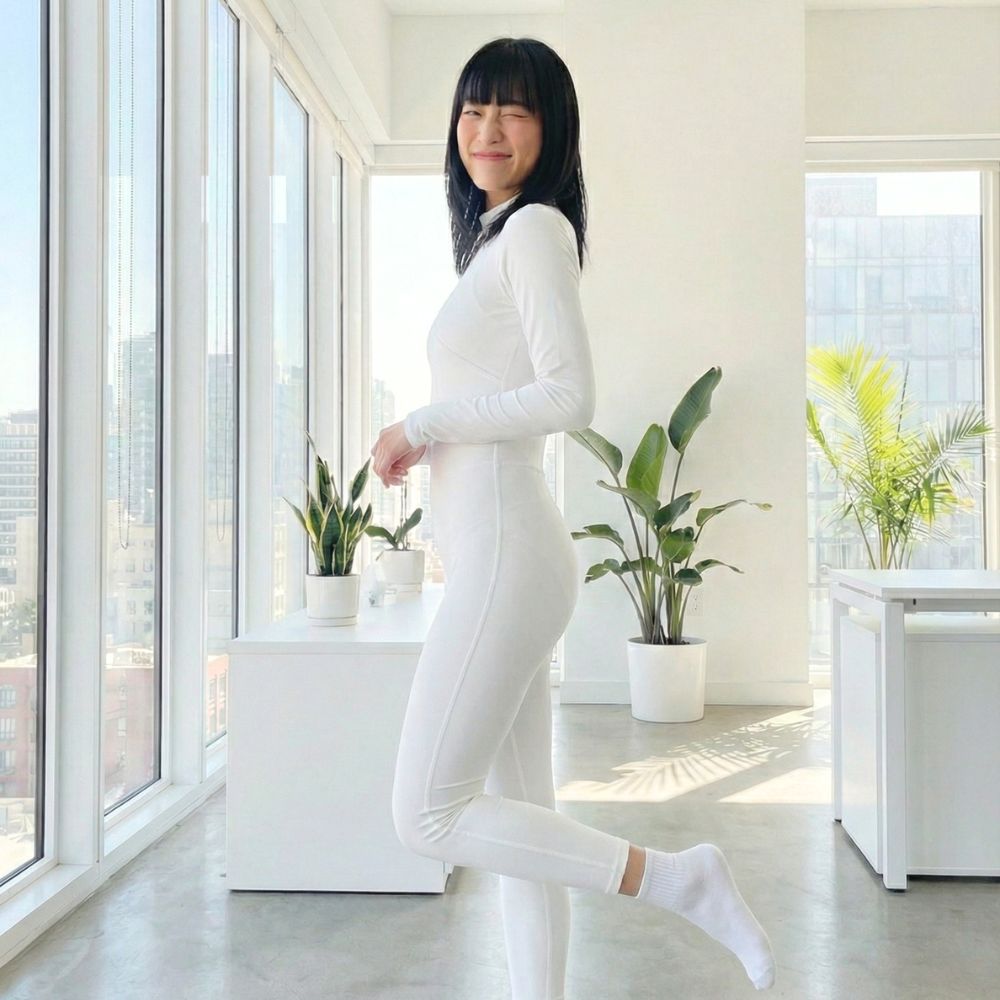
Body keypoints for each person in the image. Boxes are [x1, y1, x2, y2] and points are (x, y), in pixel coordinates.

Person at [369, 36, 775, 999]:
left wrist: (425, 420)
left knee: (424, 815)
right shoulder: (501, 242)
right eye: (472, 109)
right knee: (520, 821)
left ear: (550, 129)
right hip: (498, 557)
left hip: (509, 559)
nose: (486, 129)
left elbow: (568, 396)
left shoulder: (537, 229)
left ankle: (678, 879)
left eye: (512, 110)